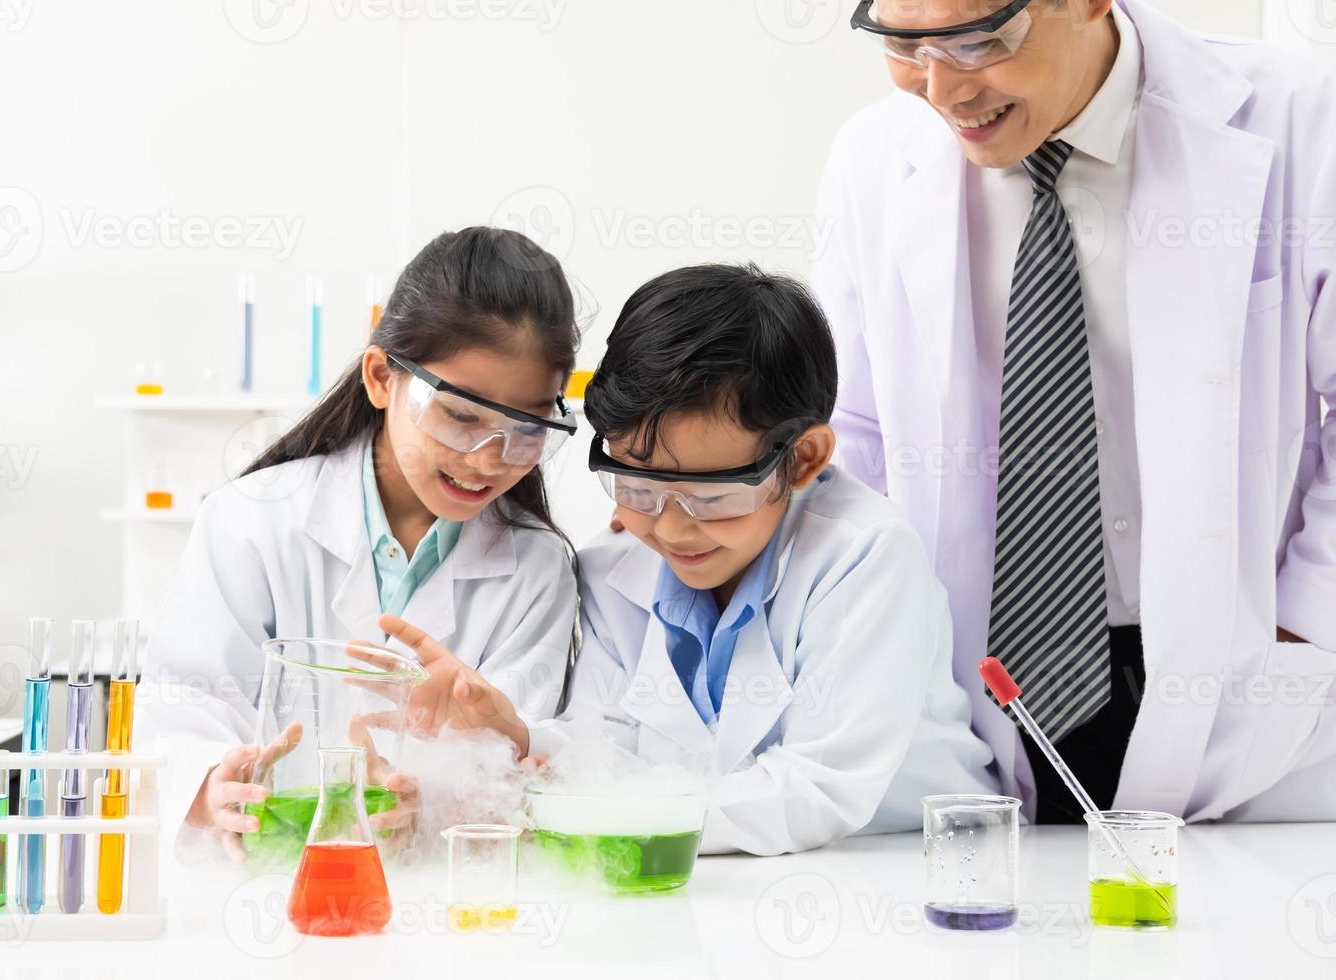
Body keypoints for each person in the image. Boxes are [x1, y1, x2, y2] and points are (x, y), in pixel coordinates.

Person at [814, 0, 1336, 821]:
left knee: (1240, 935)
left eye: (981, 40)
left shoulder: (1305, 118)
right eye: (905, 44)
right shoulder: (872, 160)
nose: (942, 88)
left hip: (1251, 673)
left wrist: (1307, 630)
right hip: (984, 673)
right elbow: (856, 433)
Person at [379, 264, 998, 856]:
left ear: (804, 458)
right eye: (638, 488)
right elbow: (612, 743)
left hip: (901, 869)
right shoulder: (615, 568)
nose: (672, 527)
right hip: (723, 883)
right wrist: (519, 738)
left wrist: (586, 812)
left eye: (711, 497)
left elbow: (820, 788)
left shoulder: (865, 556)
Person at [136, 226, 583, 856]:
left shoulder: (537, 565)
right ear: (381, 378)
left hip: (443, 905)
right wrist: (209, 782)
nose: (488, 459)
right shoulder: (252, 520)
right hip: (264, 884)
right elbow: (184, 701)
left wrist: (429, 797)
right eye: (460, 416)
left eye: (527, 429)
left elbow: (522, 759)